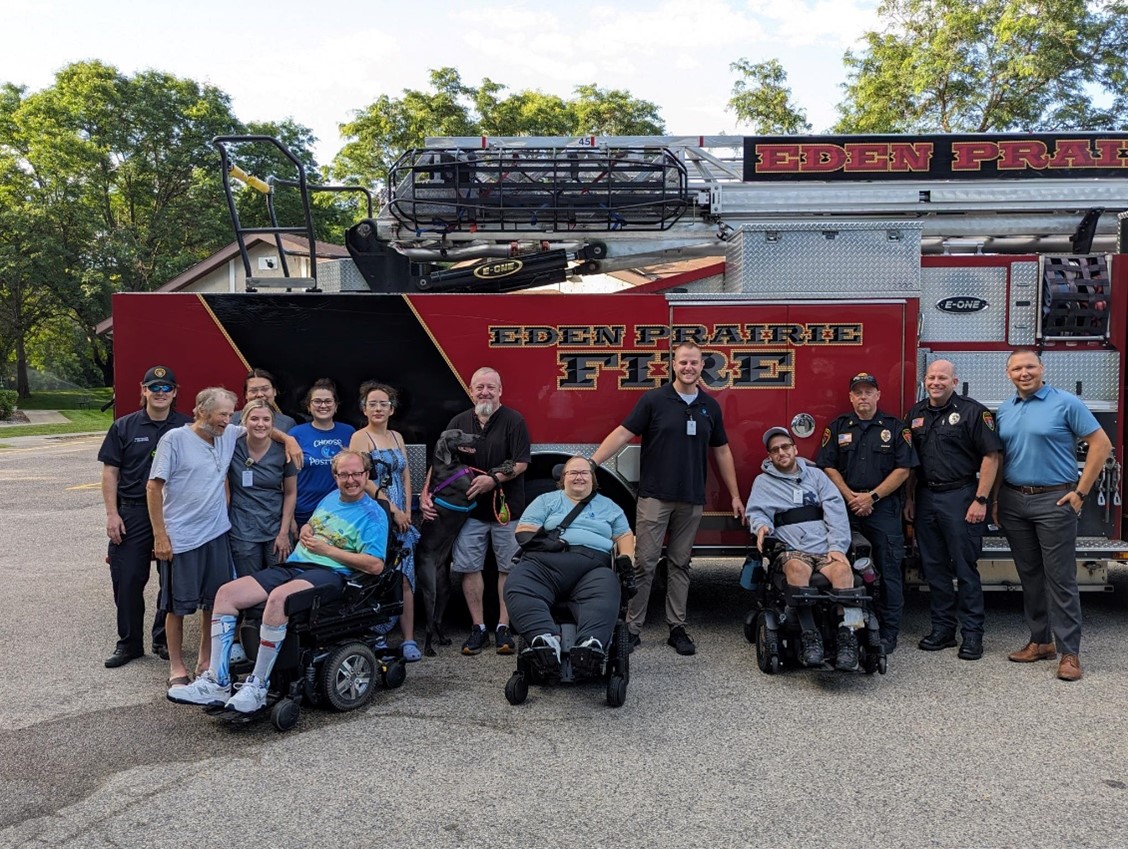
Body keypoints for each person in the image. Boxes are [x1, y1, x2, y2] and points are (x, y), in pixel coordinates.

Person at [167, 449, 388, 712]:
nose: (351, 480)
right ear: (335, 476)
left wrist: (327, 551)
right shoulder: (331, 498)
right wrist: (306, 529)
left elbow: (375, 565)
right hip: (295, 565)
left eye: (357, 474)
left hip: (332, 573)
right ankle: (217, 680)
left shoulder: (373, 515)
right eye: (344, 474)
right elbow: (314, 526)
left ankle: (258, 686)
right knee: (226, 593)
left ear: (367, 475)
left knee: (279, 598)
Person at [591, 341, 744, 656]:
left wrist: (735, 495)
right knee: (644, 563)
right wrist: (591, 463)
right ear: (673, 365)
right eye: (683, 362)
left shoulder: (709, 407)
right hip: (655, 498)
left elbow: (722, 451)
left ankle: (677, 628)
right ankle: (632, 629)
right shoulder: (654, 400)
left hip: (691, 498)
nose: (688, 368)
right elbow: (622, 433)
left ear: (702, 367)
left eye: (694, 363)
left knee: (680, 564)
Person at [147, 387, 299, 689]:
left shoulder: (226, 434)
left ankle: (205, 662)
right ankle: (176, 667)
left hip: (216, 534)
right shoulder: (175, 439)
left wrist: (289, 438)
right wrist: (160, 535)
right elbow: (153, 487)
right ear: (202, 411)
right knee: (176, 607)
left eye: (230, 415)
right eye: (223, 415)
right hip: (181, 538)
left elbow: (261, 427)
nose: (228, 421)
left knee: (212, 604)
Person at [994, 349, 1111, 682]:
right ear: (1008, 374)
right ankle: (1041, 641)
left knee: (1061, 579)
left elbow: (1101, 444)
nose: (1024, 373)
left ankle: (1070, 653)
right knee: (1029, 576)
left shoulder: (1065, 402)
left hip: (1055, 501)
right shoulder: (1005, 409)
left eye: (1030, 366)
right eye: (1017, 368)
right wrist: (997, 499)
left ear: (1042, 368)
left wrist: (1080, 492)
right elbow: (1002, 458)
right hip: (1014, 500)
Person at [420, 366, 529, 656]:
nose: (485, 392)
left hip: (506, 511)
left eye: (491, 387)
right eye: (479, 387)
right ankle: (478, 627)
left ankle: (503, 627)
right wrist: (426, 493)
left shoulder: (514, 421)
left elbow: (521, 463)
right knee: (469, 567)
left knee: (507, 568)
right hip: (467, 513)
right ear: (470, 391)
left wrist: (492, 480)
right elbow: (439, 462)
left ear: (500, 391)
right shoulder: (458, 422)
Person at [904, 360, 1002, 661]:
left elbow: (991, 457)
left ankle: (972, 635)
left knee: (965, 569)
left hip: (961, 496)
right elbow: (912, 463)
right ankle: (943, 630)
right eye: (931, 377)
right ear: (925, 380)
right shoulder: (915, 414)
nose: (936, 382)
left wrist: (981, 500)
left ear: (954, 382)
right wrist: (910, 499)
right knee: (934, 568)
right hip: (926, 497)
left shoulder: (973, 412)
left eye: (942, 378)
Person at [505, 456, 636, 678]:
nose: (579, 477)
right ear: (562, 478)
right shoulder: (546, 501)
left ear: (593, 479)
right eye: (572, 472)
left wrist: (626, 559)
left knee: (607, 589)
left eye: (584, 473)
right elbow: (525, 530)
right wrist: (549, 543)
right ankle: (545, 640)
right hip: (546, 563)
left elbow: (624, 535)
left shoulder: (609, 506)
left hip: (592, 566)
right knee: (519, 584)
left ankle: (590, 645)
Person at [816, 372, 916, 653]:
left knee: (889, 570)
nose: (863, 397)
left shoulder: (895, 428)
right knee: (841, 567)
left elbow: (904, 469)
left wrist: (871, 497)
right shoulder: (837, 427)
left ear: (878, 395)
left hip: (883, 508)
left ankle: (888, 633)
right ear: (851, 397)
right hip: (845, 509)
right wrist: (850, 496)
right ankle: (847, 628)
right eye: (858, 392)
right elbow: (827, 466)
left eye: (868, 392)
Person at [98, 365, 191, 668]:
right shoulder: (124, 427)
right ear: (143, 390)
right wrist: (112, 514)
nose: (160, 393)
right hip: (134, 511)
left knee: (172, 580)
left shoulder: (188, 428)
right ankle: (129, 643)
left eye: (166, 388)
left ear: (174, 392)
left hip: (174, 512)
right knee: (127, 579)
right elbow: (110, 473)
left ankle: (163, 639)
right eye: (154, 388)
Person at [746, 427, 861, 669]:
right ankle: (810, 637)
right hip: (792, 549)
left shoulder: (817, 476)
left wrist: (837, 546)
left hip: (824, 548)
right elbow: (757, 513)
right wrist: (761, 527)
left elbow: (836, 511)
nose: (781, 452)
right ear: (770, 456)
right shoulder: (763, 482)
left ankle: (847, 636)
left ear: (795, 449)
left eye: (785, 447)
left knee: (844, 571)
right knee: (797, 568)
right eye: (775, 450)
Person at [349, 382, 422, 661]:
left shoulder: (396, 436)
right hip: (376, 516)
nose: (378, 409)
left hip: (401, 518)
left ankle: (408, 639)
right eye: (372, 404)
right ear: (364, 409)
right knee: (376, 577)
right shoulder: (360, 438)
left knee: (405, 577)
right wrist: (392, 510)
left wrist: (407, 511)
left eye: (383, 404)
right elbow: (363, 480)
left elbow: (405, 475)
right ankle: (376, 636)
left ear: (392, 409)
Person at [227, 399, 297, 577]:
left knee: (279, 580)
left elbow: (290, 493)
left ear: (273, 423)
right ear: (244, 421)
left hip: (276, 528)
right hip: (242, 530)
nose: (260, 424)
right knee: (248, 583)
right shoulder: (231, 447)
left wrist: (284, 532)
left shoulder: (283, 451)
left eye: (266, 419)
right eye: (254, 419)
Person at [291, 378, 355, 529]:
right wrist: (290, 518)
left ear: (336, 406)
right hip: (304, 511)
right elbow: (287, 478)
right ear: (309, 406)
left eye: (328, 401)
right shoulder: (296, 434)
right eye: (317, 401)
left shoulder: (349, 432)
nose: (323, 405)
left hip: (340, 511)